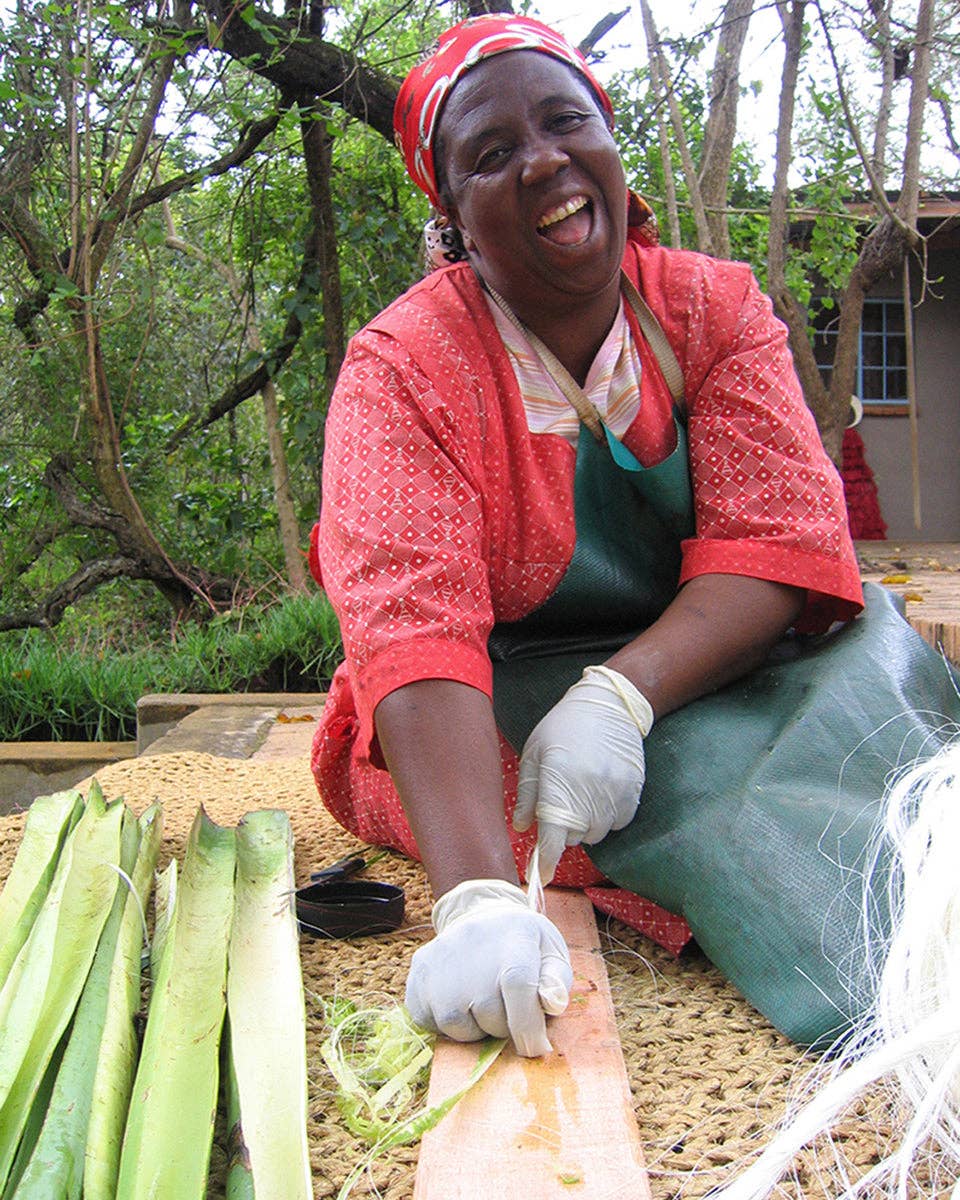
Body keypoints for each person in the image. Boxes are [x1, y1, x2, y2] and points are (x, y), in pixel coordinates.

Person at [309, 14, 960, 1057]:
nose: (545, 161)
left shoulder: (715, 311)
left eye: (568, 122)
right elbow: (413, 632)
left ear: (613, 148)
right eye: (491, 155)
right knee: (723, 807)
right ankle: (887, 1003)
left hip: (717, 658)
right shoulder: (404, 370)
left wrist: (622, 695)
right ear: (457, 224)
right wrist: (478, 897)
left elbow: (777, 542)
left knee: (896, 747)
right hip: (500, 696)